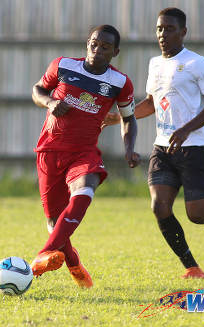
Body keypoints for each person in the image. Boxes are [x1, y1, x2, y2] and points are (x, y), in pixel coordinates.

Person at [121, 8, 204, 278]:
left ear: (183, 32)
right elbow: (150, 103)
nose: (162, 34)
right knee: (160, 207)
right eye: (159, 28)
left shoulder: (197, 63)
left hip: (193, 148)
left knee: (198, 216)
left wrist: (185, 130)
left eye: (169, 29)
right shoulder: (154, 63)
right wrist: (120, 117)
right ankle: (192, 268)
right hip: (162, 148)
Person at [30, 25, 140, 288]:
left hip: (84, 151)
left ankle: (43, 254)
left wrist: (128, 147)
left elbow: (129, 119)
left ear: (115, 52)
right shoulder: (63, 65)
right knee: (54, 221)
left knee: (85, 190)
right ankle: (74, 263)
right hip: (49, 151)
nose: (97, 49)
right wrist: (51, 103)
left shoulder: (120, 83)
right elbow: (37, 90)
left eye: (105, 47)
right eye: (93, 43)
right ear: (87, 43)